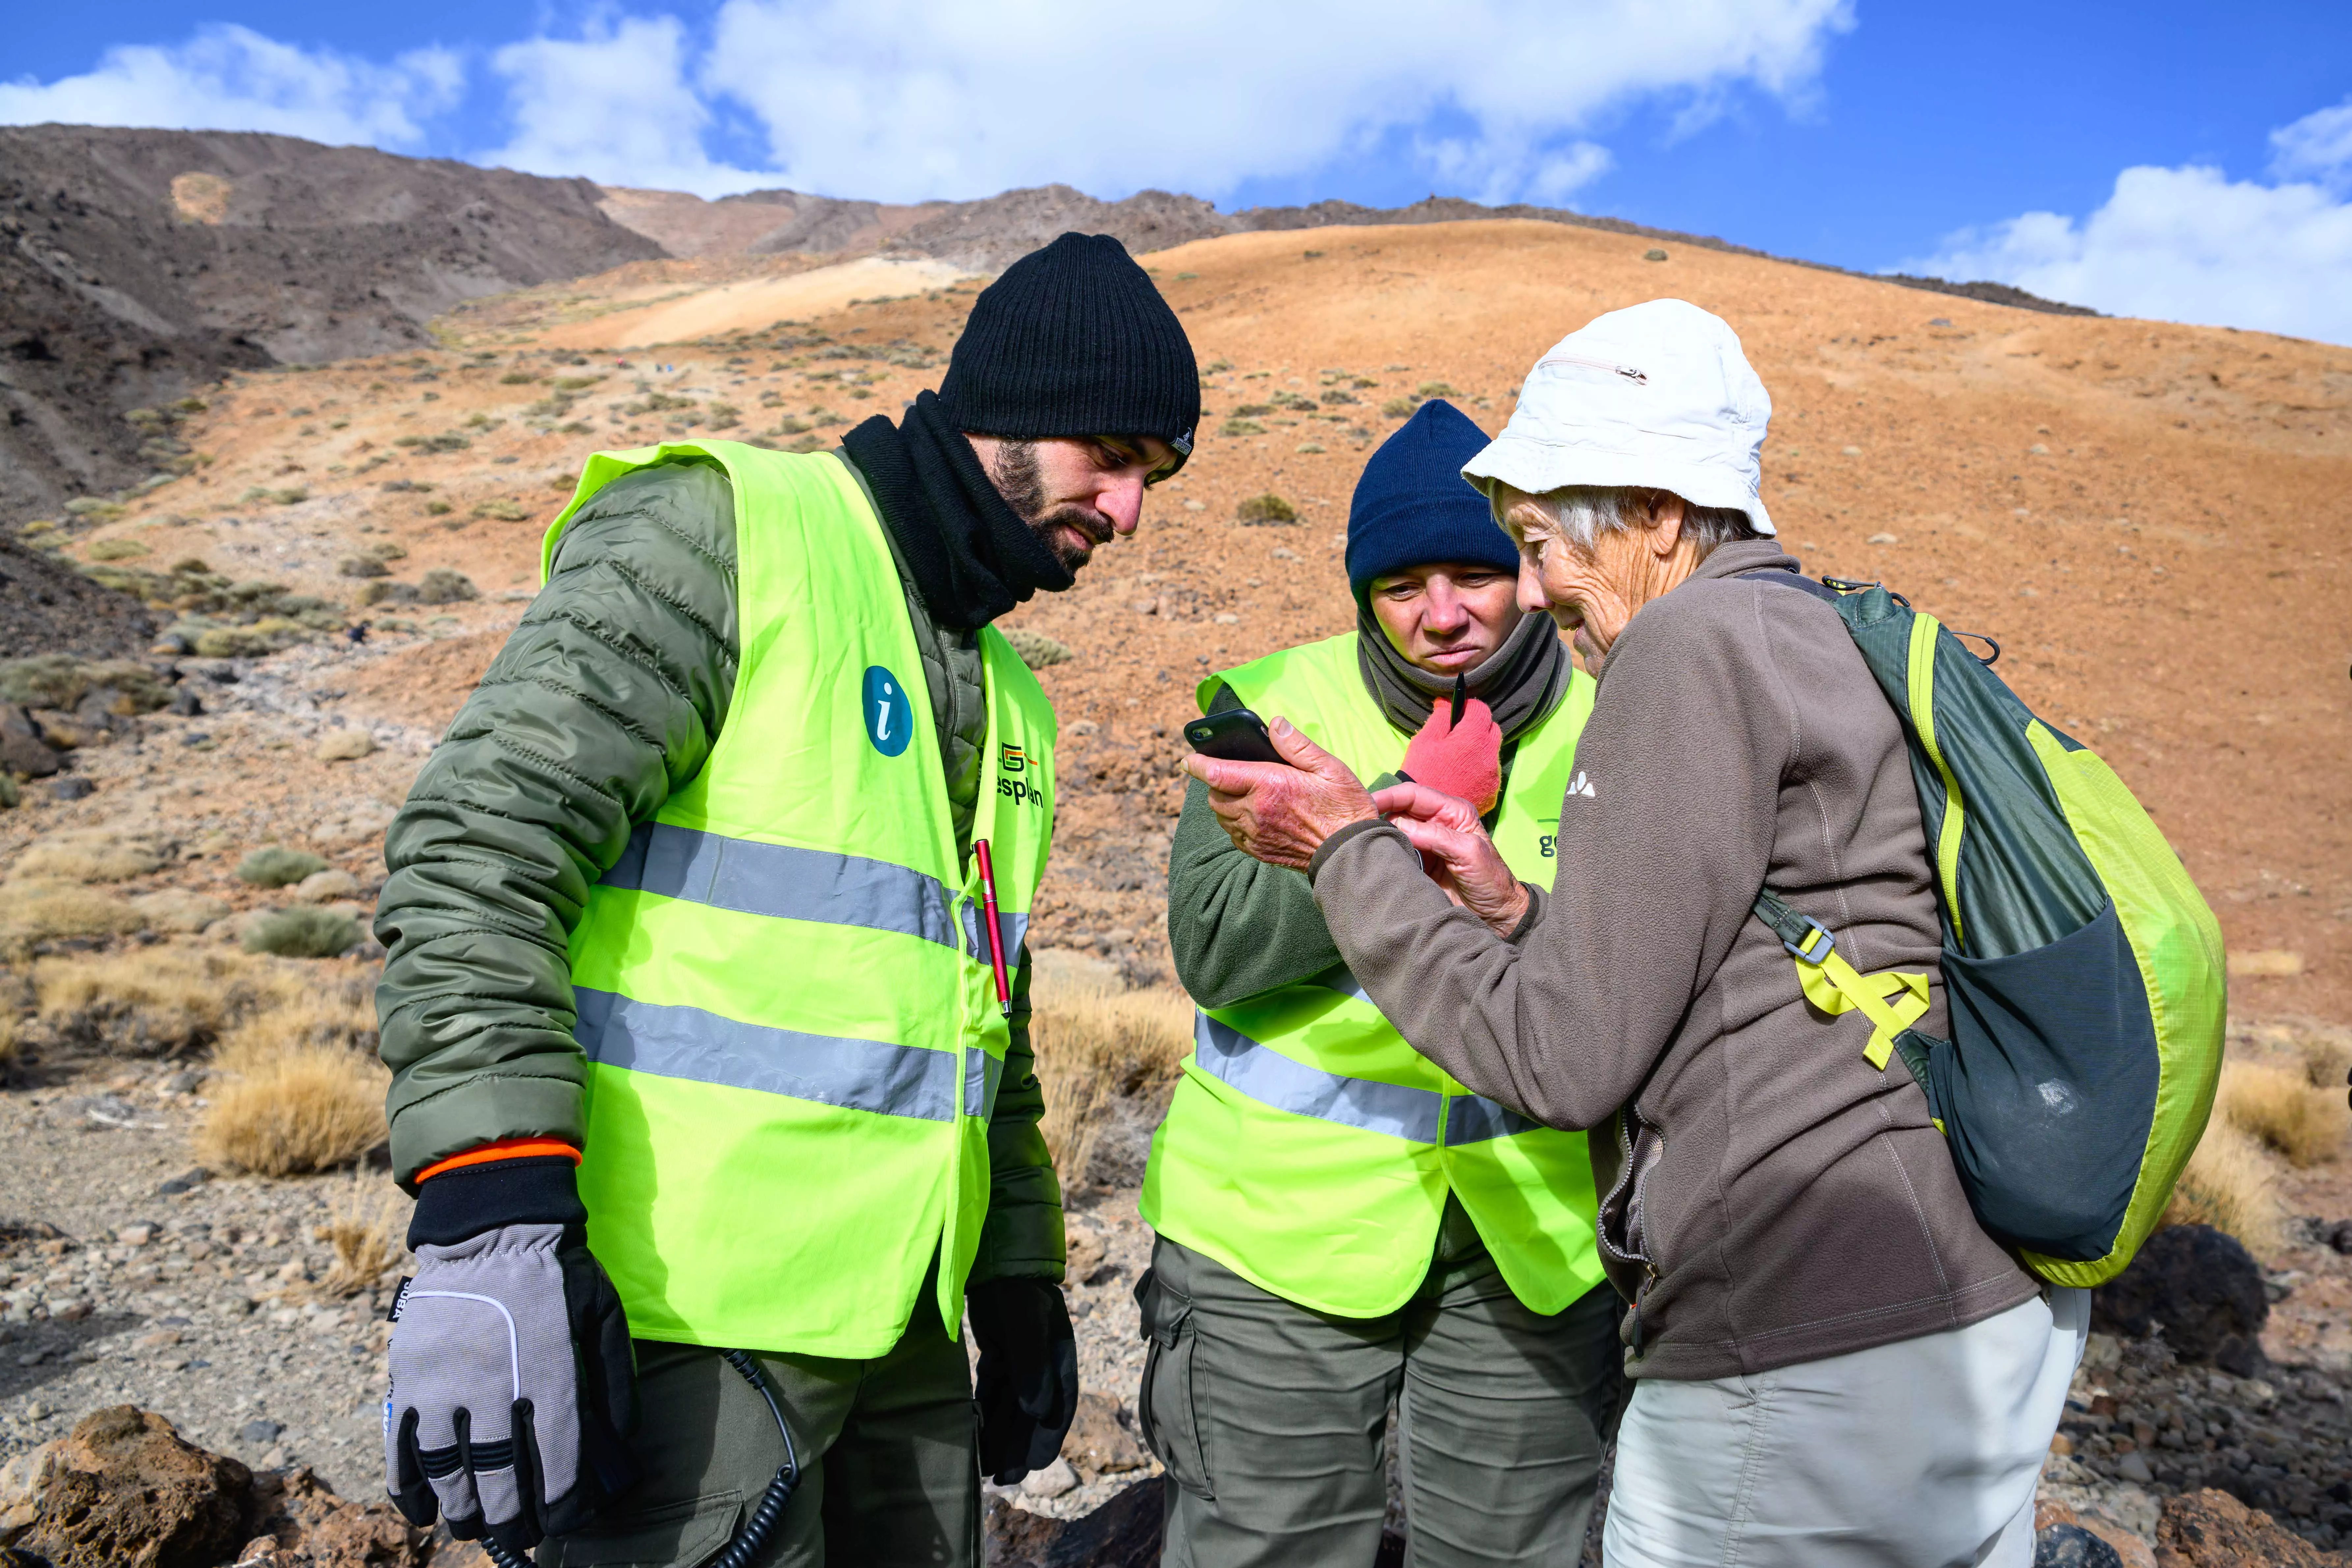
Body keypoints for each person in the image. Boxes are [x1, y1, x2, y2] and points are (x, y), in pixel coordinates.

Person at [1187, 300, 2083, 1567]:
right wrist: (1511, 910)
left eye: (1538, 540)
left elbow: (1561, 1061)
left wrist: (1346, 851)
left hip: (1803, 1331)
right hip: (1940, 1302)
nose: (1536, 584)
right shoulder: (1806, 623)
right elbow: (1749, 952)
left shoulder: (1686, 643)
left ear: (1659, 513)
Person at [371, 232, 1199, 1568]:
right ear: (1016, 405)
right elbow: (481, 845)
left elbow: (986, 1019)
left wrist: (1018, 1272)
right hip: (691, 1330)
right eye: (1111, 455)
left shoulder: (1014, 700)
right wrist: (488, 1205)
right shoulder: (728, 532)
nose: (1130, 508)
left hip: (904, 1338)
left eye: (1155, 477)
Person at [1139, 399, 1623, 1568]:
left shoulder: (1631, 723)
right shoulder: (1264, 708)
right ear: (1363, 590)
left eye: (1475, 572)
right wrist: (1398, 805)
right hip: (1274, 1234)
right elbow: (1217, 954)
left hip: (1537, 1247)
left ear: (1530, 562)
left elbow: (1640, 986)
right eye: (1404, 584)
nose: (1443, 615)